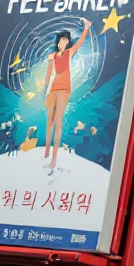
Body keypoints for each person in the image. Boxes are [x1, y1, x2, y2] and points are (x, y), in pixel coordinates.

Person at [42, 19, 91, 172]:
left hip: (64, 90)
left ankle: (54, 158)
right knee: (49, 119)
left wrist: (86, 28)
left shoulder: (69, 53)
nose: (62, 42)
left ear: (68, 42)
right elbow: (48, 75)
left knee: (57, 119)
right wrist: (45, 91)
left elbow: (80, 43)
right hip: (52, 90)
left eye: (65, 40)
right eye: (61, 40)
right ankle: (47, 150)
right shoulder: (52, 56)